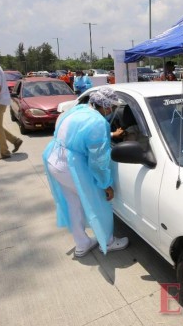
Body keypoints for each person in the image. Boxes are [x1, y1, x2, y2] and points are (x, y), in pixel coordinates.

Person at [43, 87, 129, 257]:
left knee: (73, 204)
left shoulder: (79, 109)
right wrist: (105, 185)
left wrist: (110, 134)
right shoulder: (98, 122)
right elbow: (98, 161)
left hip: (55, 160)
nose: (111, 111)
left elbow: (79, 134)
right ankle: (108, 241)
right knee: (98, 203)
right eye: (110, 107)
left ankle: (82, 244)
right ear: (104, 106)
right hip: (71, 167)